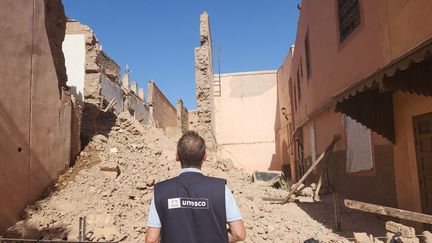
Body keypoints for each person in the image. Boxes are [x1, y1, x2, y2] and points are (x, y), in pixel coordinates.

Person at [145, 131, 246, 243]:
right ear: (205, 157)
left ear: (177, 156)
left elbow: (151, 240)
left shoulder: (161, 191)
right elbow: (238, 234)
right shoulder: (221, 189)